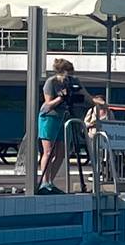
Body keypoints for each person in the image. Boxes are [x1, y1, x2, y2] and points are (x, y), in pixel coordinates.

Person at [36, 59, 90, 192]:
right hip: (49, 117)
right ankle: (44, 182)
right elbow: (48, 104)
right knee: (48, 152)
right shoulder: (51, 82)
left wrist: (96, 101)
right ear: (60, 72)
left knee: (61, 153)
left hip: (64, 117)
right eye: (68, 73)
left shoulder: (74, 81)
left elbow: (85, 95)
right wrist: (61, 97)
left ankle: (50, 182)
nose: (70, 76)